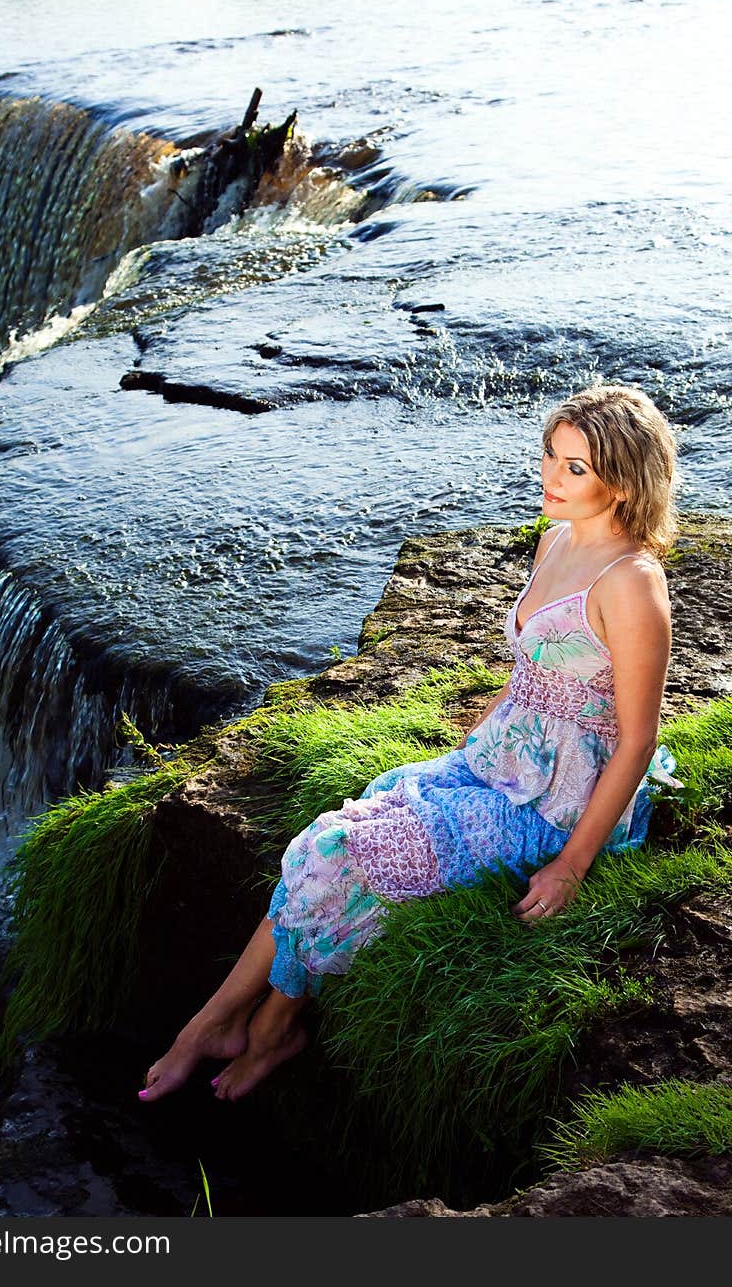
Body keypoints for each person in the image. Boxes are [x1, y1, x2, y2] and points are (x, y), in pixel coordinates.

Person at [139, 383, 680, 1104]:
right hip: (500, 758)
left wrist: (571, 867)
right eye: (551, 454)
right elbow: (532, 669)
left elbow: (638, 740)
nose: (551, 475)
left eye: (575, 467)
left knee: (340, 851)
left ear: (622, 480)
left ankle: (243, 1026)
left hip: (559, 799)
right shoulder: (555, 539)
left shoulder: (633, 585)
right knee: (337, 830)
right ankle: (244, 1021)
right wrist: (481, 737)